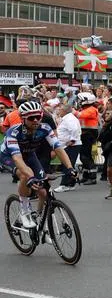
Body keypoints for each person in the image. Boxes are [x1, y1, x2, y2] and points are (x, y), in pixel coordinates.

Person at [1, 100, 75, 232]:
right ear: (23, 119)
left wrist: (70, 168)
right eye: (31, 118)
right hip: (9, 157)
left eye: (38, 117)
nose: (36, 120)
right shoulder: (14, 132)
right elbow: (17, 158)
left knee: (43, 191)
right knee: (26, 175)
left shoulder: (44, 128)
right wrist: (30, 177)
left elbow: (58, 148)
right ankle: (24, 211)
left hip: (29, 155)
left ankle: (38, 218)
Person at [75, 92, 101, 184]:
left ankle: (92, 177)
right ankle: (86, 175)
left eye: (80, 100)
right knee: (83, 155)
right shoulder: (86, 109)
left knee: (86, 156)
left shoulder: (92, 109)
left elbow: (80, 115)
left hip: (89, 134)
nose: (78, 102)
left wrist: (71, 110)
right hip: (85, 134)